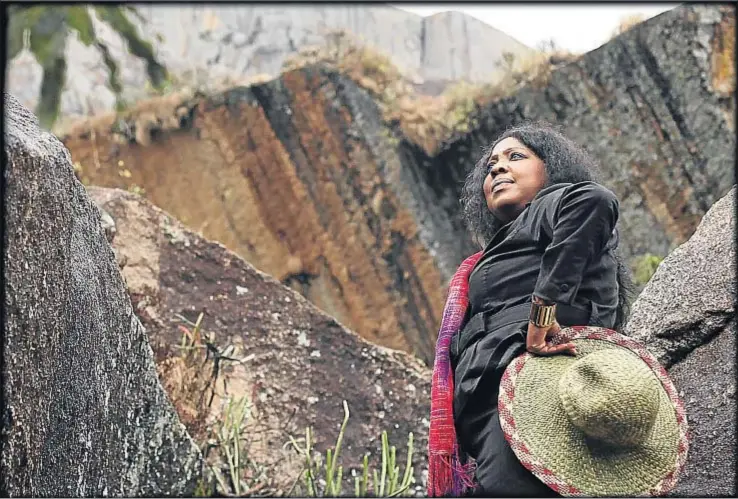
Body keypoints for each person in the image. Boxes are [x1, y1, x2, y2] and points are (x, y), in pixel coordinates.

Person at [427, 121, 636, 497]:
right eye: (491, 164)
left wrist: (541, 317)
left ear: (550, 169)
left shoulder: (554, 203)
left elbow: (595, 201)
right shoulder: (491, 253)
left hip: (537, 382)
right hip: (488, 395)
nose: (497, 168)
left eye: (516, 156)